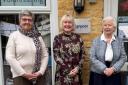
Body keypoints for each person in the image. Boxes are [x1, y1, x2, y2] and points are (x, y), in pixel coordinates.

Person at [6, 10, 48, 85]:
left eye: (30, 20)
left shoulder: (38, 37)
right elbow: (9, 57)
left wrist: (41, 71)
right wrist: (23, 73)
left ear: (32, 22)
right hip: (20, 77)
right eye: (24, 19)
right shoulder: (14, 36)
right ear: (20, 21)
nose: (27, 22)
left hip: (38, 76)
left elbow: (45, 55)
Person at [89, 16, 127, 85]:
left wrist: (113, 69)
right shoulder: (96, 40)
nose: (107, 27)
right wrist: (104, 69)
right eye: (105, 25)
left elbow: (123, 57)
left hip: (114, 74)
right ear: (102, 27)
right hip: (98, 74)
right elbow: (92, 57)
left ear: (114, 28)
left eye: (109, 25)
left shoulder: (119, 41)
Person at [53, 13, 85, 85]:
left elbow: (83, 55)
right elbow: (56, 56)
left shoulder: (78, 38)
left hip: (76, 73)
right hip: (62, 74)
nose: (67, 24)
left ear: (73, 24)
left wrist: (77, 69)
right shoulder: (57, 38)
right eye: (65, 22)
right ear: (62, 24)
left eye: (70, 22)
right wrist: (68, 70)